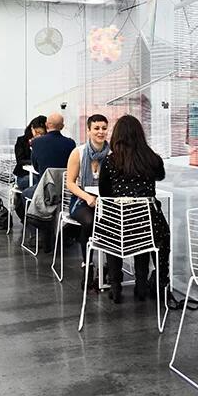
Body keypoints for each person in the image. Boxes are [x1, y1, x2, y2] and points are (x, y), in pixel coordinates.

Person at [98, 115, 170, 304]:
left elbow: (104, 194)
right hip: (147, 220)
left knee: (112, 237)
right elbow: (160, 176)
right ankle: (141, 286)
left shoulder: (110, 161)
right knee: (148, 236)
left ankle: (115, 286)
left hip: (119, 220)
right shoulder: (152, 159)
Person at [17, 112, 75, 249]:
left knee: (25, 195)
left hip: (45, 189)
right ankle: (60, 233)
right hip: (66, 191)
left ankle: (37, 234)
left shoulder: (37, 142)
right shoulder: (70, 143)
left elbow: (36, 166)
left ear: (47, 125)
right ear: (62, 126)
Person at [65, 114, 110, 276]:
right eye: (96, 128)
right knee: (89, 221)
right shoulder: (78, 152)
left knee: (111, 222)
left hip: (105, 200)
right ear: (88, 131)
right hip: (81, 200)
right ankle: (88, 262)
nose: (101, 132)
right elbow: (70, 183)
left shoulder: (112, 154)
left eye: (104, 128)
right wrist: (88, 197)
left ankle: (109, 265)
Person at [14, 115, 46, 191]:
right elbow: (20, 160)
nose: (39, 135)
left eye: (42, 134)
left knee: (43, 181)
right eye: (37, 132)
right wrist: (34, 162)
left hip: (41, 174)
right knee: (36, 181)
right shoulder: (22, 140)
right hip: (24, 174)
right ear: (32, 128)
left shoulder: (45, 142)